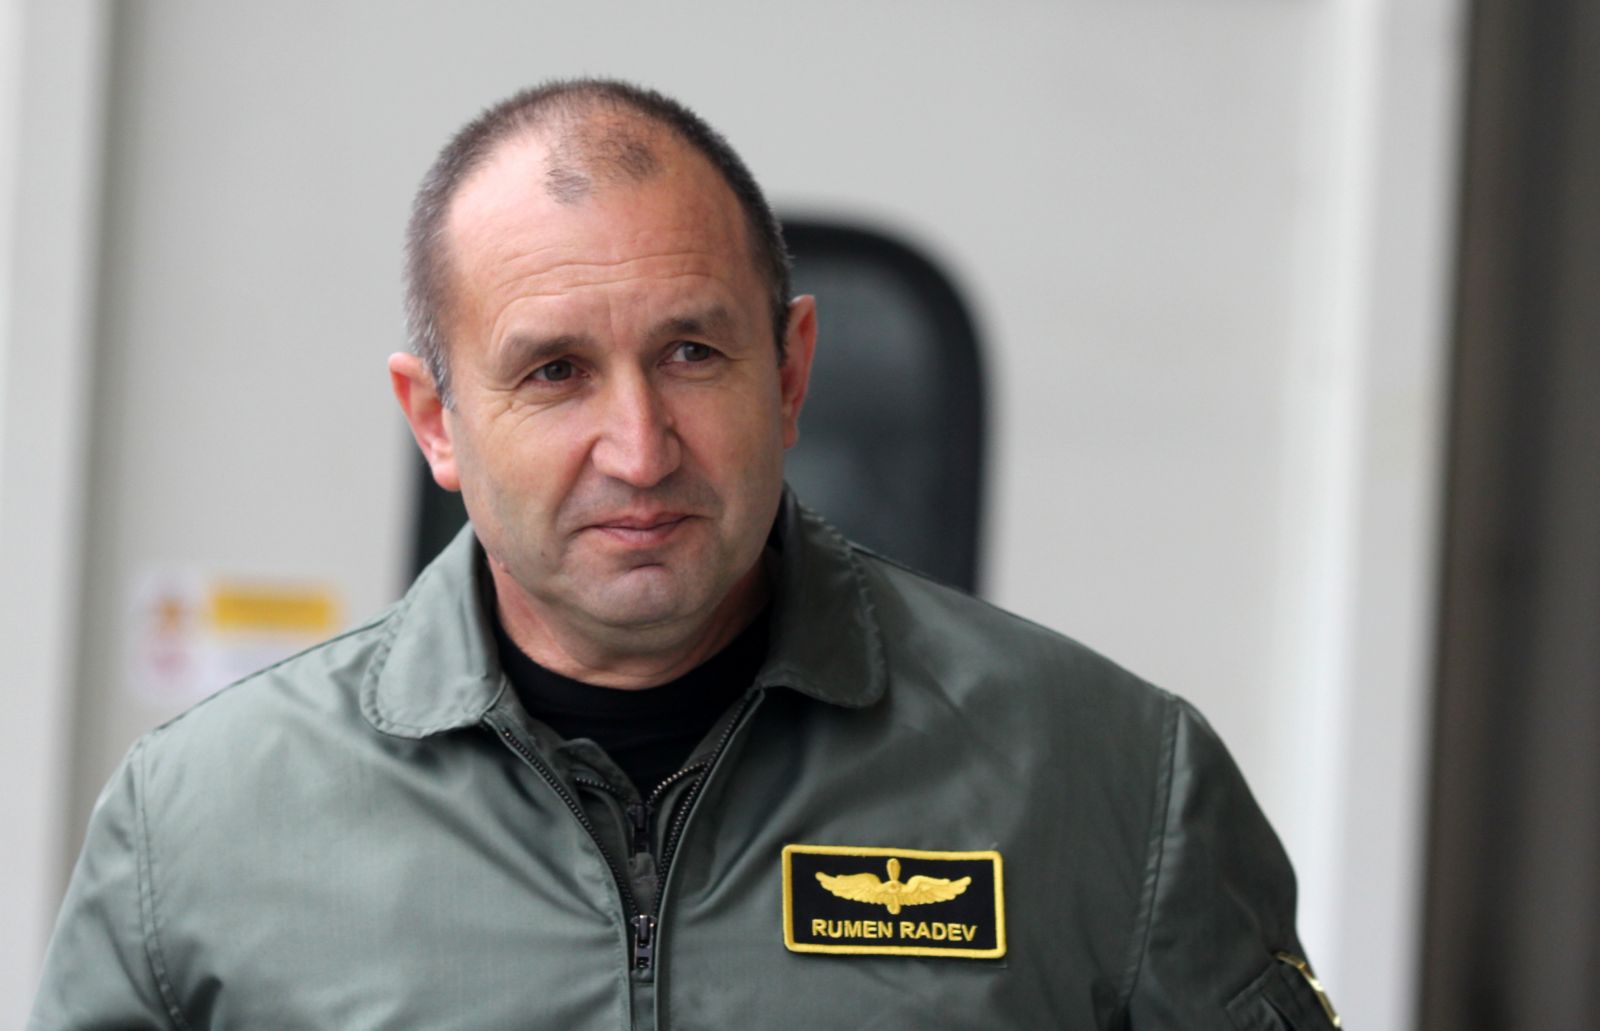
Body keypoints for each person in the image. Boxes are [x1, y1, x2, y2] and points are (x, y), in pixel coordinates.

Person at [30, 79, 1339, 1029]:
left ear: (791, 370)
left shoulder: (1111, 783)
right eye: (555, 372)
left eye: (692, 353)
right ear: (435, 422)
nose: (640, 447)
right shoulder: (199, 828)